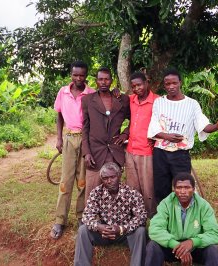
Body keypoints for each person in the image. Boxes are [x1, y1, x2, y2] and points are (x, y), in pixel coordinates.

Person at [147, 68, 218, 204]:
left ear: (180, 83)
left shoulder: (192, 104)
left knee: (183, 188)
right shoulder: (159, 102)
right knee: (161, 189)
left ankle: (186, 218)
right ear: (164, 85)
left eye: (174, 83)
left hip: (181, 155)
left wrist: (217, 126)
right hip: (160, 153)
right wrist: (167, 136)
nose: (171, 87)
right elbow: (153, 128)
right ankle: (163, 219)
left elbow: (203, 125)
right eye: (167, 84)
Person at [50, 61, 95, 239]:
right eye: (75, 75)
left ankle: (81, 218)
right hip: (69, 139)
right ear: (71, 74)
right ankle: (60, 220)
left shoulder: (91, 94)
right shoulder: (63, 92)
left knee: (82, 181)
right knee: (65, 181)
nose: (78, 78)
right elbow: (59, 115)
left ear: (86, 76)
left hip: (85, 139)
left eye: (82, 75)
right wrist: (59, 138)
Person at [74, 162, 147, 266]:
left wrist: (122, 228)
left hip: (125, 234)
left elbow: (142, 216)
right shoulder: (96, 193)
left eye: (112, 177)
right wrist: (99, 227)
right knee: (83, 230)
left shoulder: (131, 193)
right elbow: (86, 216)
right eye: (105, 178)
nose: (109, 181)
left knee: (140, 231)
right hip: (104, 233)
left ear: (119, 176)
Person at [145, 173, 218, 266]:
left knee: (212, 250)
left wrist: (192, 242)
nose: (182, 191)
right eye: (179, 187)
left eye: (187, 187)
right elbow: (155, 229)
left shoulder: (203, 206)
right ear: (174, 190)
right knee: (153, 246)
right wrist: (176, 245)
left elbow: (215, 233)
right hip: (172, 248)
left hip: (195, 249)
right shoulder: (166, 203)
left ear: (193, 190)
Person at [81, 67, 130, 203]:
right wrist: (87, 153)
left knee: (113, 188)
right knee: (92, 188)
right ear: (96, 81)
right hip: (95, 152)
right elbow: (85, 128)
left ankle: (112, 218)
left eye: (106, 79)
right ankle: (90, 219)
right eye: (100, 79)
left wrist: (125, 134)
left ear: (111, 81)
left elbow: (135, 119)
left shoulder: (122, 99)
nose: (103, 82)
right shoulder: (88, 100)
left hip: (114, 151)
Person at [125, 72, 159, 218]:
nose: (136, 88)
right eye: (133, 86)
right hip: (130, 150)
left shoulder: (158, 101)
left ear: (146, 83)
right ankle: (135, 217)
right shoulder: (131, 100)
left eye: (139, 84)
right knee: (132, 187)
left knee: (148, 188)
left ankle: (152, 217)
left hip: (147, 151)